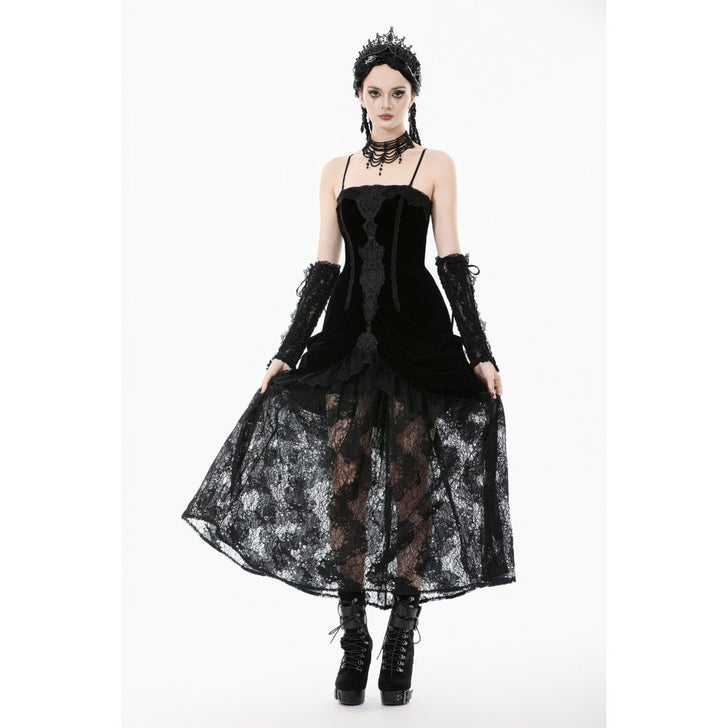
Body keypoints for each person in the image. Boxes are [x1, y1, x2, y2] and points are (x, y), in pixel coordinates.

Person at [181, 26, 516, 707]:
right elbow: (323, 268)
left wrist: (480, 350)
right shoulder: (334, 170)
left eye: (398, 92)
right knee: (347, 488)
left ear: (413, 96)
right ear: (359, 97)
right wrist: (287, 350)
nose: (386, 102)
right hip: (345, 342)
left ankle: (402, 635)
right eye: (374, 92)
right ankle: (356, 635)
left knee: (413, 486)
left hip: (417, 337)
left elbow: (451, 262)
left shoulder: (435, 164)